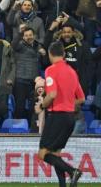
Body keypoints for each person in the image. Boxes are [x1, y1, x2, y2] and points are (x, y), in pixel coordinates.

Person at [35, 41, 85, 187]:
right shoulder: (72, 72)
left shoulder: (51, 70)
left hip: (57, 116)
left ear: (50, 54)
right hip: (70, 118)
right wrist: (68, 103)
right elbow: (81, 98)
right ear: (63, 54)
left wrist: (42, 105)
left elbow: (52, 94)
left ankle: (73, 171)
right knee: (56, 154)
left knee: (43, 154)